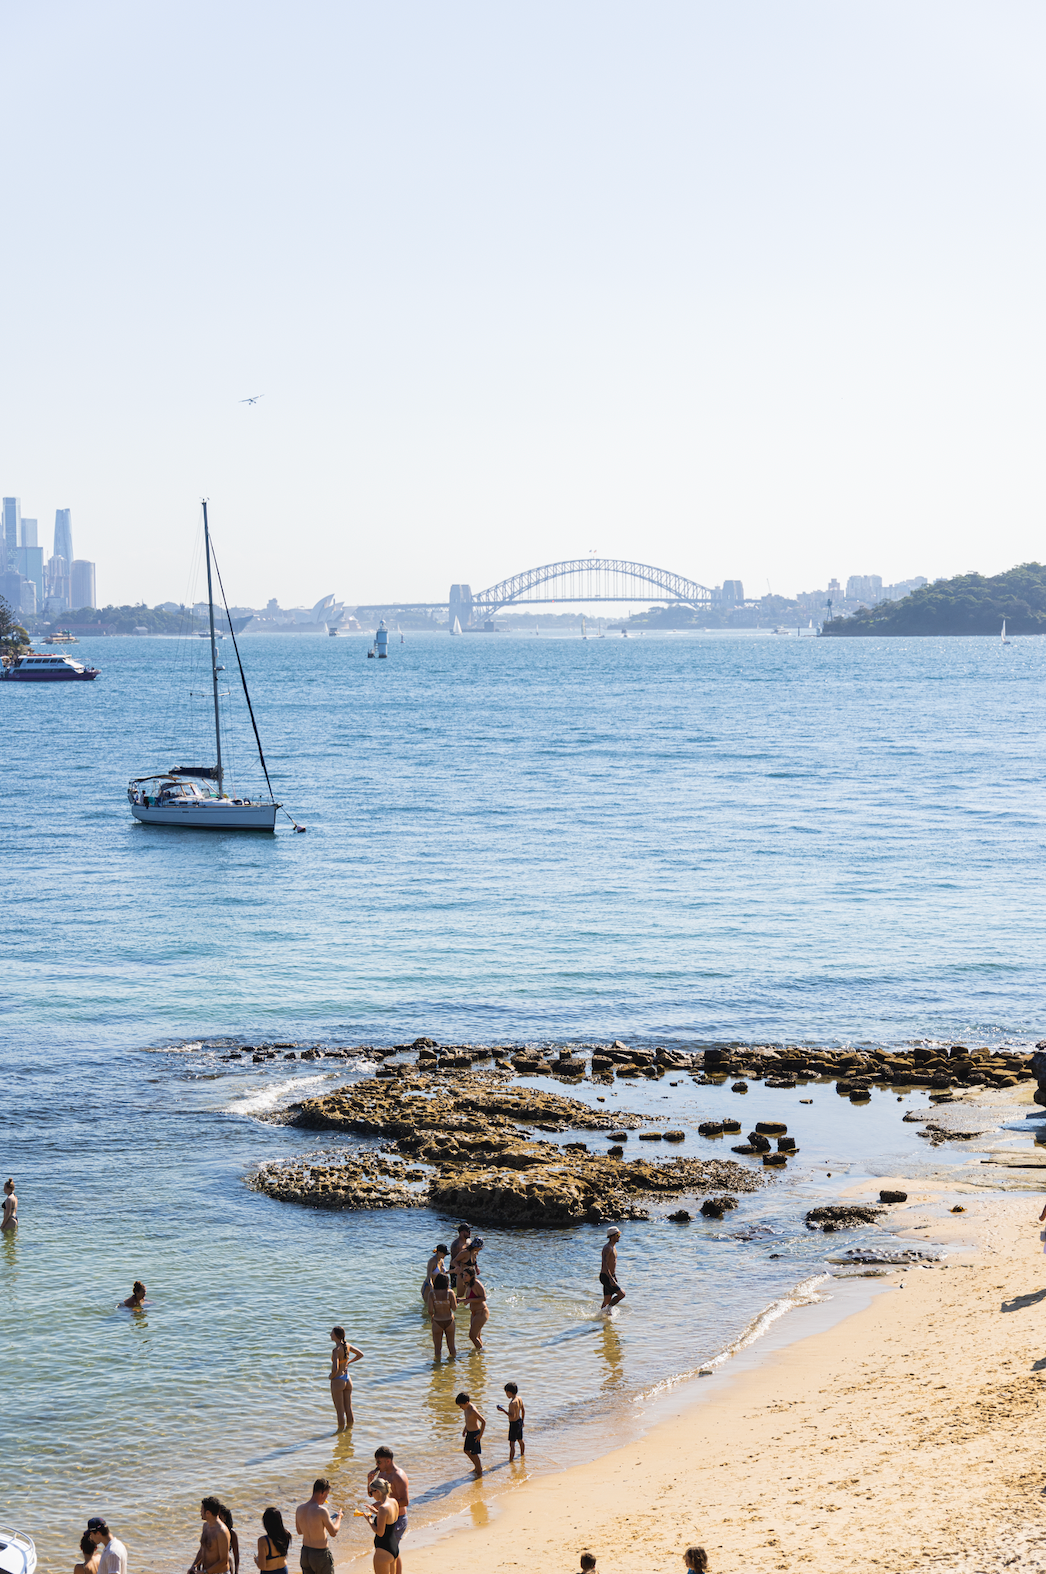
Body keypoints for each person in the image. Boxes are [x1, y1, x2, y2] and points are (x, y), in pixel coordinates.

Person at [366, 1449, 410, 1556]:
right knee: (390, 1551)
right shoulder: (381, 1473)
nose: (376, 1465)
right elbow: (371, 1494)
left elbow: (405, 1501)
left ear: (388, 1461)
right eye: (376, 1462)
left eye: (379, 1462)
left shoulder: (398, 1476)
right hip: (384, 1516)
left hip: (397, 1518)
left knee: (391, 1552)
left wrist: (385, 1505)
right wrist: (369, 1481)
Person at [295, 1478, 341, 1574]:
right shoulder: (321, 1511)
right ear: (322, 1493)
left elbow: (299, 1531)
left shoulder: (299, 1509)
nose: (326, 1497)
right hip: (320, 1555)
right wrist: (339, 1518)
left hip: (305, 1553)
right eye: (327, 1494)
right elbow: (333, 1532)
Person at [363, 1478, 402, 1574]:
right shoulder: (393, 1501)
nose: (371, 1496)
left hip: (383, 1550)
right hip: (394, 1547)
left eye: (371, 1493)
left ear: (377, 1491)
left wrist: (370, 1521)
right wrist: (376, 1513)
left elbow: (380, 1532)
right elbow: (391, 1520)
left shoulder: (383, 1508)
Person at [329, 1326, 364, 1429]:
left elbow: (335, 1369)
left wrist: (331, 1376)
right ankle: (349, 1431)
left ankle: (340, 1434)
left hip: (338, 1380)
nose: (330, 1335)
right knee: (348, 1409)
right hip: (347, 1379)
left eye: (332, 1333)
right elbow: (360, 1354)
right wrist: (348, 1362)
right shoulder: (347, 1345)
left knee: (340, 1411)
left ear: (336, 1335)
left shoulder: (336, 1350)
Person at [188, 1499, 232, 1574]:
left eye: (201, 1510)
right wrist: (193, 1566)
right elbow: (203, 1548)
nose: (200, 1512)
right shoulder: (205, 1526)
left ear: (208, 1513)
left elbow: (224, 1561)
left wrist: (205, 1572)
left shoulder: (221, 1532)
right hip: (207, 1571)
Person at [455, 1391, 485, 1476]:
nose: (460, 1408)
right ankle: (476, 1466)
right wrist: (465, 1428)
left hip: (475, 1434)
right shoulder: (466, 1408)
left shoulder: (472, 1410)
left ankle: (479, 1473)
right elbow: (468, 1420)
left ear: (467, 1403)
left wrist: (480, 1436)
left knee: (474, 1454)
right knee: (466, 1450)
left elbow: (483, 1422)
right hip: (469, 1432)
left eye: (461, 1406)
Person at [428, 1272, 457, 1360]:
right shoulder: (450, 1293)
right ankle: (452, 1367)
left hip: (437, 1321)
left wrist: (432, 1316)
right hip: (449, 1320)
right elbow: (454, 1308)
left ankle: (437, 1369)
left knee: (437, 1349)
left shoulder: (432, 1294)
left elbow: (429, 1310)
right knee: (451, 1347)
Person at [459, 1267, 488, 1351]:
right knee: (477, 1336)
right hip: (474, 1312)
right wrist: (461, 1300)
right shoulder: (468, 1284)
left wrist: (469, 1300)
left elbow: (483, 1298)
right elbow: (470, 1299)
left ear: (472, 1276)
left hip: (481, 1312)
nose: (464, 1277)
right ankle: (478, 1358)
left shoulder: (476, 1283)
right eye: (463, 1275)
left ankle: (481, 1352)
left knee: (472, 1336)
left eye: (466, 1275)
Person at [254, 1508, 291, 1573]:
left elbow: (262, 1566)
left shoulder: (263, 1541)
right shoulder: (287, 1534)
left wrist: (256, 1560)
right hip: (283, 1570)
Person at [497, 1382, 525, 1460]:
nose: (506, 1395)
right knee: (520, 1440)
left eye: (506, 1393)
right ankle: (522, 1454)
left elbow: (511, 1415)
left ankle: (511, 1460)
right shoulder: (519, 1398)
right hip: (519, 1421)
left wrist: (503, 1410)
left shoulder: (512, 1403)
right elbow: (523, 1410)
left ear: (509, 1392)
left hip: (513, 1424)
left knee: (512, 1444)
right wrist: (522, 1421)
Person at [599, 1228, 625, 1311]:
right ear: (611, 1236)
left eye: (619, 1235)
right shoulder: (607, 1248)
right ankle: (608, 1309)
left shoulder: (613, 1247)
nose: (619, 1237)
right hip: (606, 1276)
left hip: (610, 1275)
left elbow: (612, 1264)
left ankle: (602, 1316)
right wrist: (610, 1278)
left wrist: (614, 1276)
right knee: (621, 1294)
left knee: (607, 1299)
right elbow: (604, 1264)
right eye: (617, 1235)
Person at [217, 1507, 240, 1574]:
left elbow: (236, 1554)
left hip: (226, 1565)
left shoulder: (232, 1533)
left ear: (225, 1517)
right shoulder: (213, 1530)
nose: (217, 1519)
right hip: (213, 1565)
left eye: (220, 1517)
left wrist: (236, 1571)